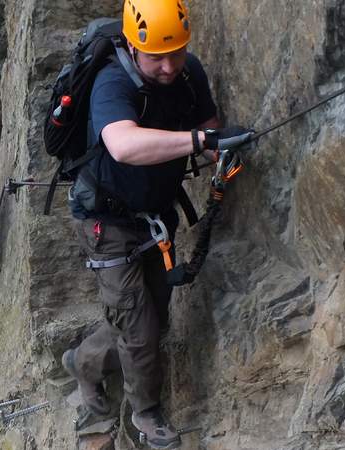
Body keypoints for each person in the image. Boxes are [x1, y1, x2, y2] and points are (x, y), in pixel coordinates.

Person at [62, 1, 252, 448]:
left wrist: (224, 149)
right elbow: (124, 144)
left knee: (150, 320)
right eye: (156, 57)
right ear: (133, 45)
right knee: (140, 329)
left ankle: (84, 363)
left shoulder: (190, 73)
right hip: (104, 223)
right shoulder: (111, 82)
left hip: (155, 217)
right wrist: (200, 141)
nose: (168, 67)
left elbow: (209, 131)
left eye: (177, 53)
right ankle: (145, 415)